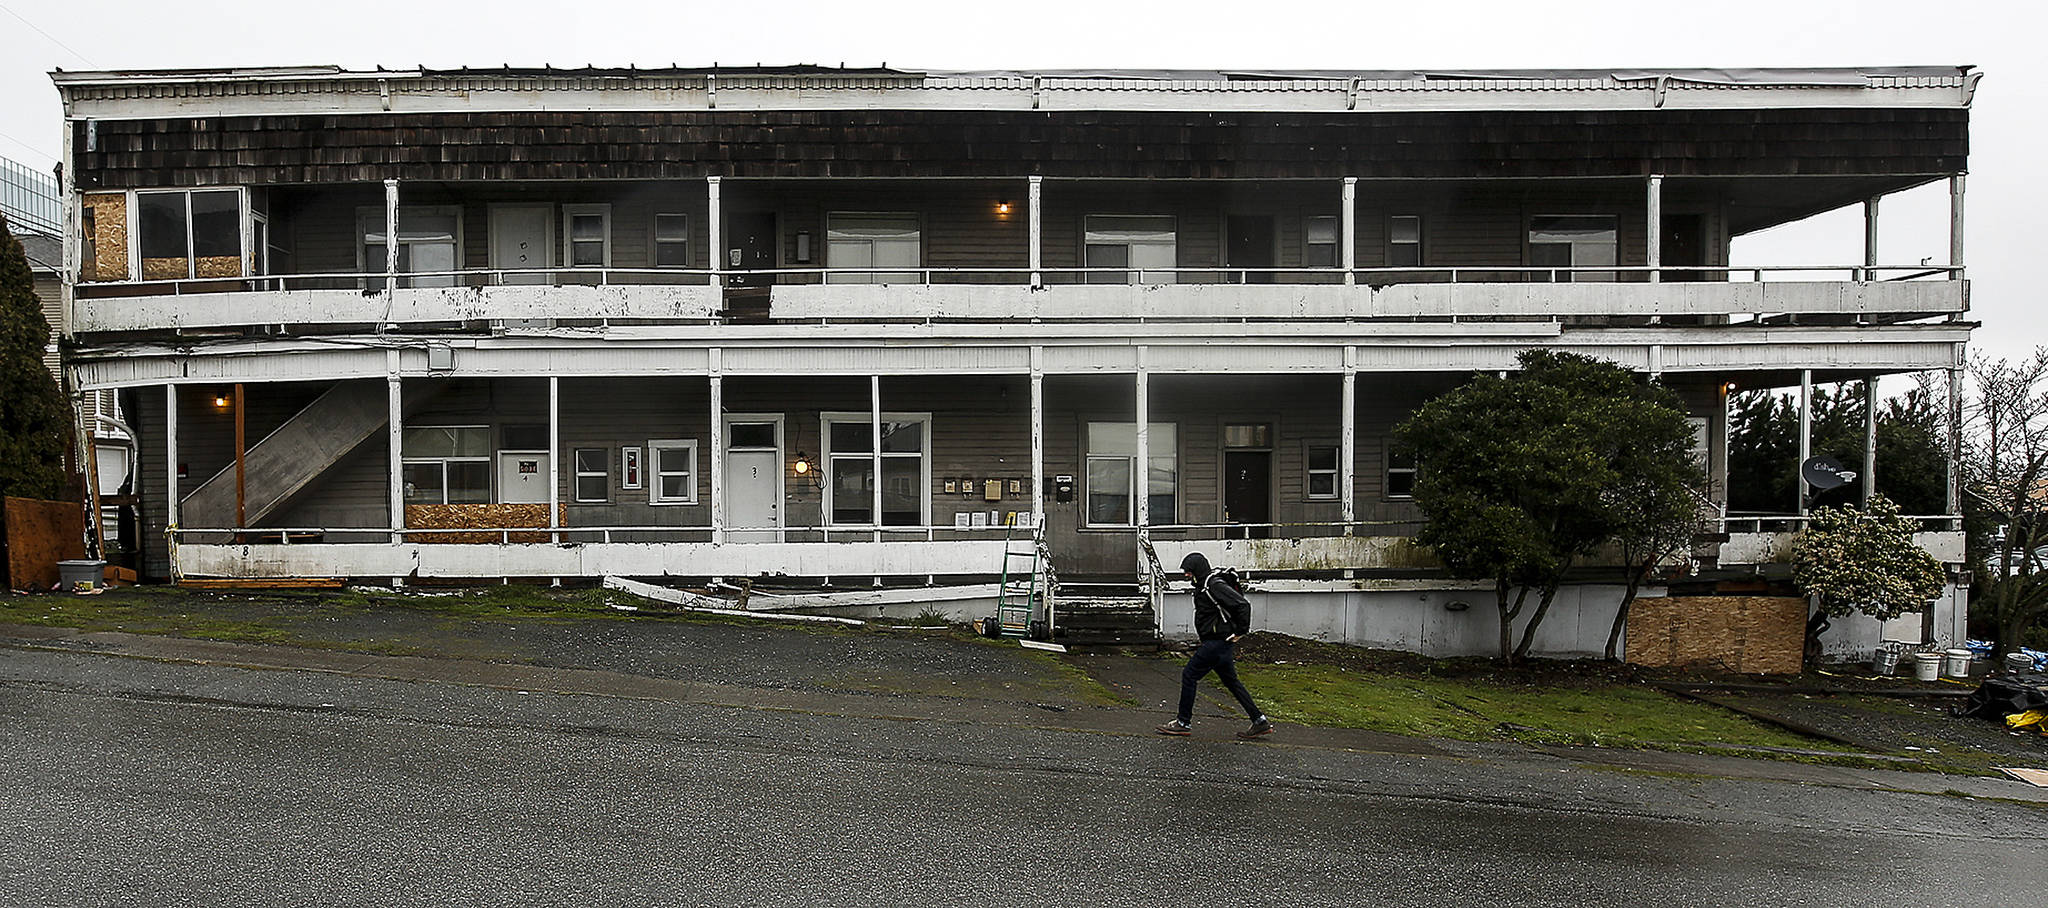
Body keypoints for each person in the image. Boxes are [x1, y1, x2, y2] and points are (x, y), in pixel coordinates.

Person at [1156, 551, 1274, 739]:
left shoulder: (1214, 585)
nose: (1186, 575)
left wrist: (1241, 632)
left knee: (1189, 675)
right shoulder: (1204, 586)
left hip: (1217, 642)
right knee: (1231, 682)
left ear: (1197, 570)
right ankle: (1259, 721)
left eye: (1188, 571)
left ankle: (1183, 722)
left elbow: (1242, 605)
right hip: (1219, 643)